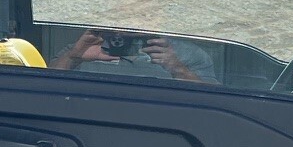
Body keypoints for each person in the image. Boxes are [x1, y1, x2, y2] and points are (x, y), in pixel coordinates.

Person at [50, 30, 215, 83]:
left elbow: (215, 103)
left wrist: (177, 68)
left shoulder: (184, 54)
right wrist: (73, 58)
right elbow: (47, 89)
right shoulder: (87, 48)